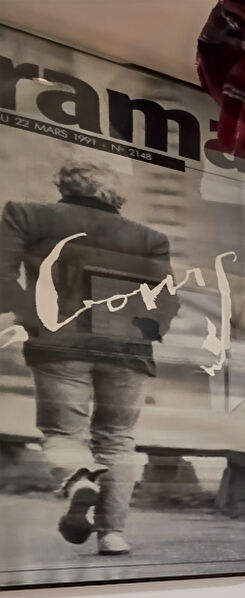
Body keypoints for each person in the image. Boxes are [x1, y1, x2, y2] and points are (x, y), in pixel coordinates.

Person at [0, 158, 177, 556]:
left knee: (64, 433)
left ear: (64, 185)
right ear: (114, 192)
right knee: (118, 439)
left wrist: (34, 316)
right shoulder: (150, 237)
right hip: (127, 349)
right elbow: (164, 302)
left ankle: (79, 478)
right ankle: (112, 534)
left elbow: (1, 275)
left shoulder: (27, 216)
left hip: (59, 343)